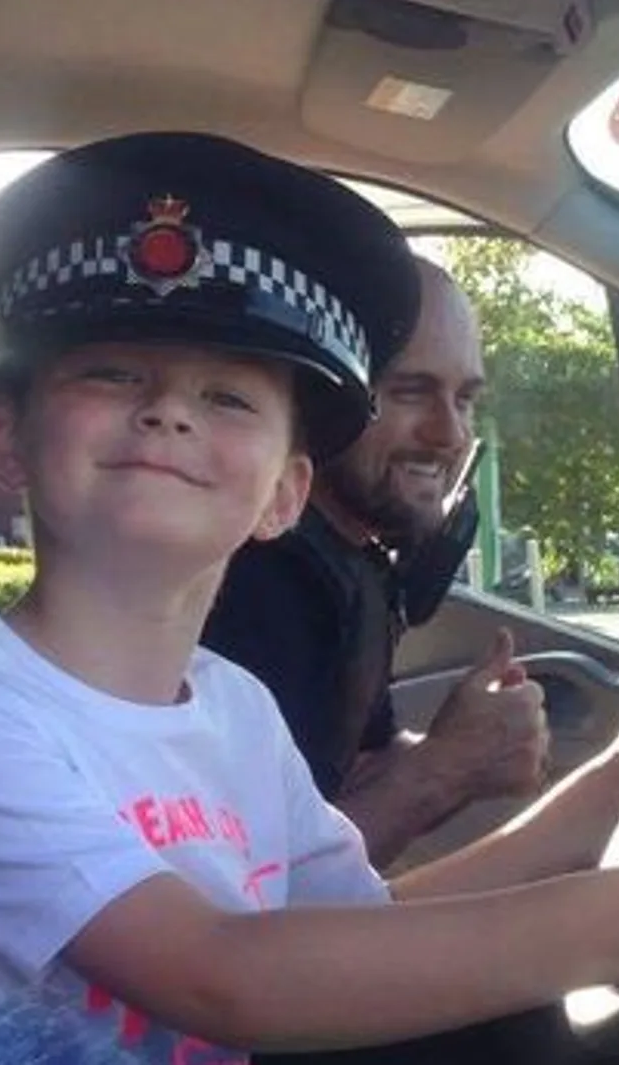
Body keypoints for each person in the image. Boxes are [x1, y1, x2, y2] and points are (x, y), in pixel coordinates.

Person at [0, 130, 619, 1065]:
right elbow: (221, 974)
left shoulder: (232, 708)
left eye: (227, 396)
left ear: (285, 492)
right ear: (5, 441)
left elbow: (370, 929)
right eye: (111, 374)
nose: (166, 412)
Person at [203, 258, 543, 867]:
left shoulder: (354, 565)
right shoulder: (266, 584)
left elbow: (348, 775)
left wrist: (472, 738)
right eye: (410, 392)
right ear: (324, 401)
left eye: (464, 400)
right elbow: (262, 886)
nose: (451, 434)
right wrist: (448, 766)